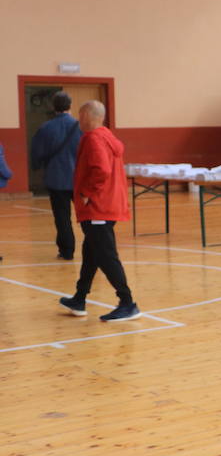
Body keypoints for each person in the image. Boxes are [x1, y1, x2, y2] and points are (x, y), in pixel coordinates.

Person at [59, 101, 141, 322]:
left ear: (87, 114)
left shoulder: (94, 138)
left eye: (80, 114)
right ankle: (80, 297)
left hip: (98, 208)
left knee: (105, 255)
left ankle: (127, 303)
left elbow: (101, 170)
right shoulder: (106, 136)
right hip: (107, 205)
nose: (78, 119)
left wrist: (86, 193)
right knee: (91, 253)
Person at [28, 91, 82, 260]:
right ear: (70, 106)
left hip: (56, 179)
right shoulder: (82, 127)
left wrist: (37, 166)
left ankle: (67, 251)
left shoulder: (46, 128)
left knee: (62, 218)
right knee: (88, 217)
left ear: (53, 107)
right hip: (79, 179)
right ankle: (95, 249)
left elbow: (36, 152)